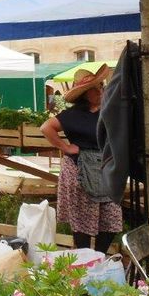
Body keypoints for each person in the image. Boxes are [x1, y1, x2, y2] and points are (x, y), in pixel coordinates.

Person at [39, 64, 118, 253]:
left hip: (105, 170)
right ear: (85, 94)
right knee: (82, 219)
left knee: (111, 218)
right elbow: (45, 128)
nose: (100, 90)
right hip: (79, 171)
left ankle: (99, 255)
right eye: (95, 88)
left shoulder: (107, 111)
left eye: (100, 86)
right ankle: (85, 257)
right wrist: (65, 146)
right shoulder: (72, 115)